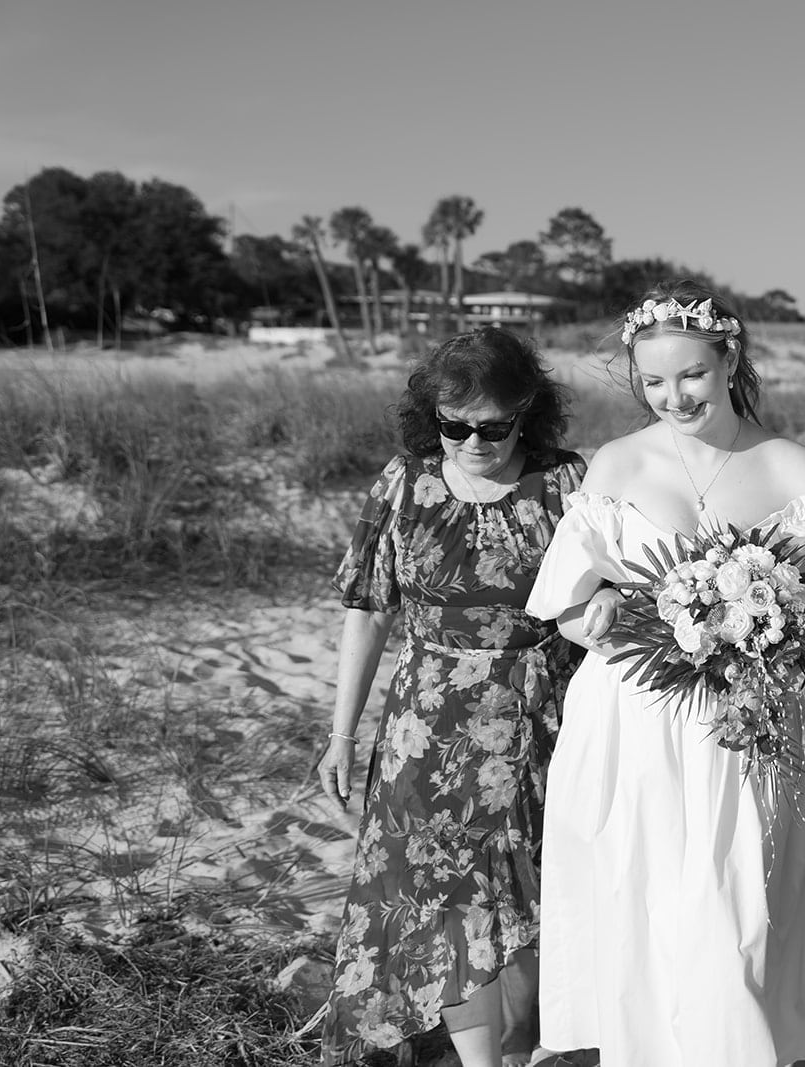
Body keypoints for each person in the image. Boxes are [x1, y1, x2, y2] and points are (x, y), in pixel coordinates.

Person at [524, 279, 805, 1067]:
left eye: (692, 375)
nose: (673, 395)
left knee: (733, 905)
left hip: (744, 728)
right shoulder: (617, 462)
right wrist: (591, 612)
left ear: (728, 357)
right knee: (640, 899)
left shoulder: (794, 469)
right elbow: (563, 606)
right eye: (655, 380)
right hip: (630, 722)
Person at [315, 327, 587, 1067]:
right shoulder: (403, 483)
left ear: (527, 411)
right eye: (454, 424)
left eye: (494, 426)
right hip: (426, 730)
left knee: (535, 897)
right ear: (430, 415)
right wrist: (342, 736)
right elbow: (369, 611)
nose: (474, 440)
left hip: (544, 719)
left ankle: (525, 1041)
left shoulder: (565, 483)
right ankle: (482, 1060)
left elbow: (610, 608)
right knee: (450, 905)